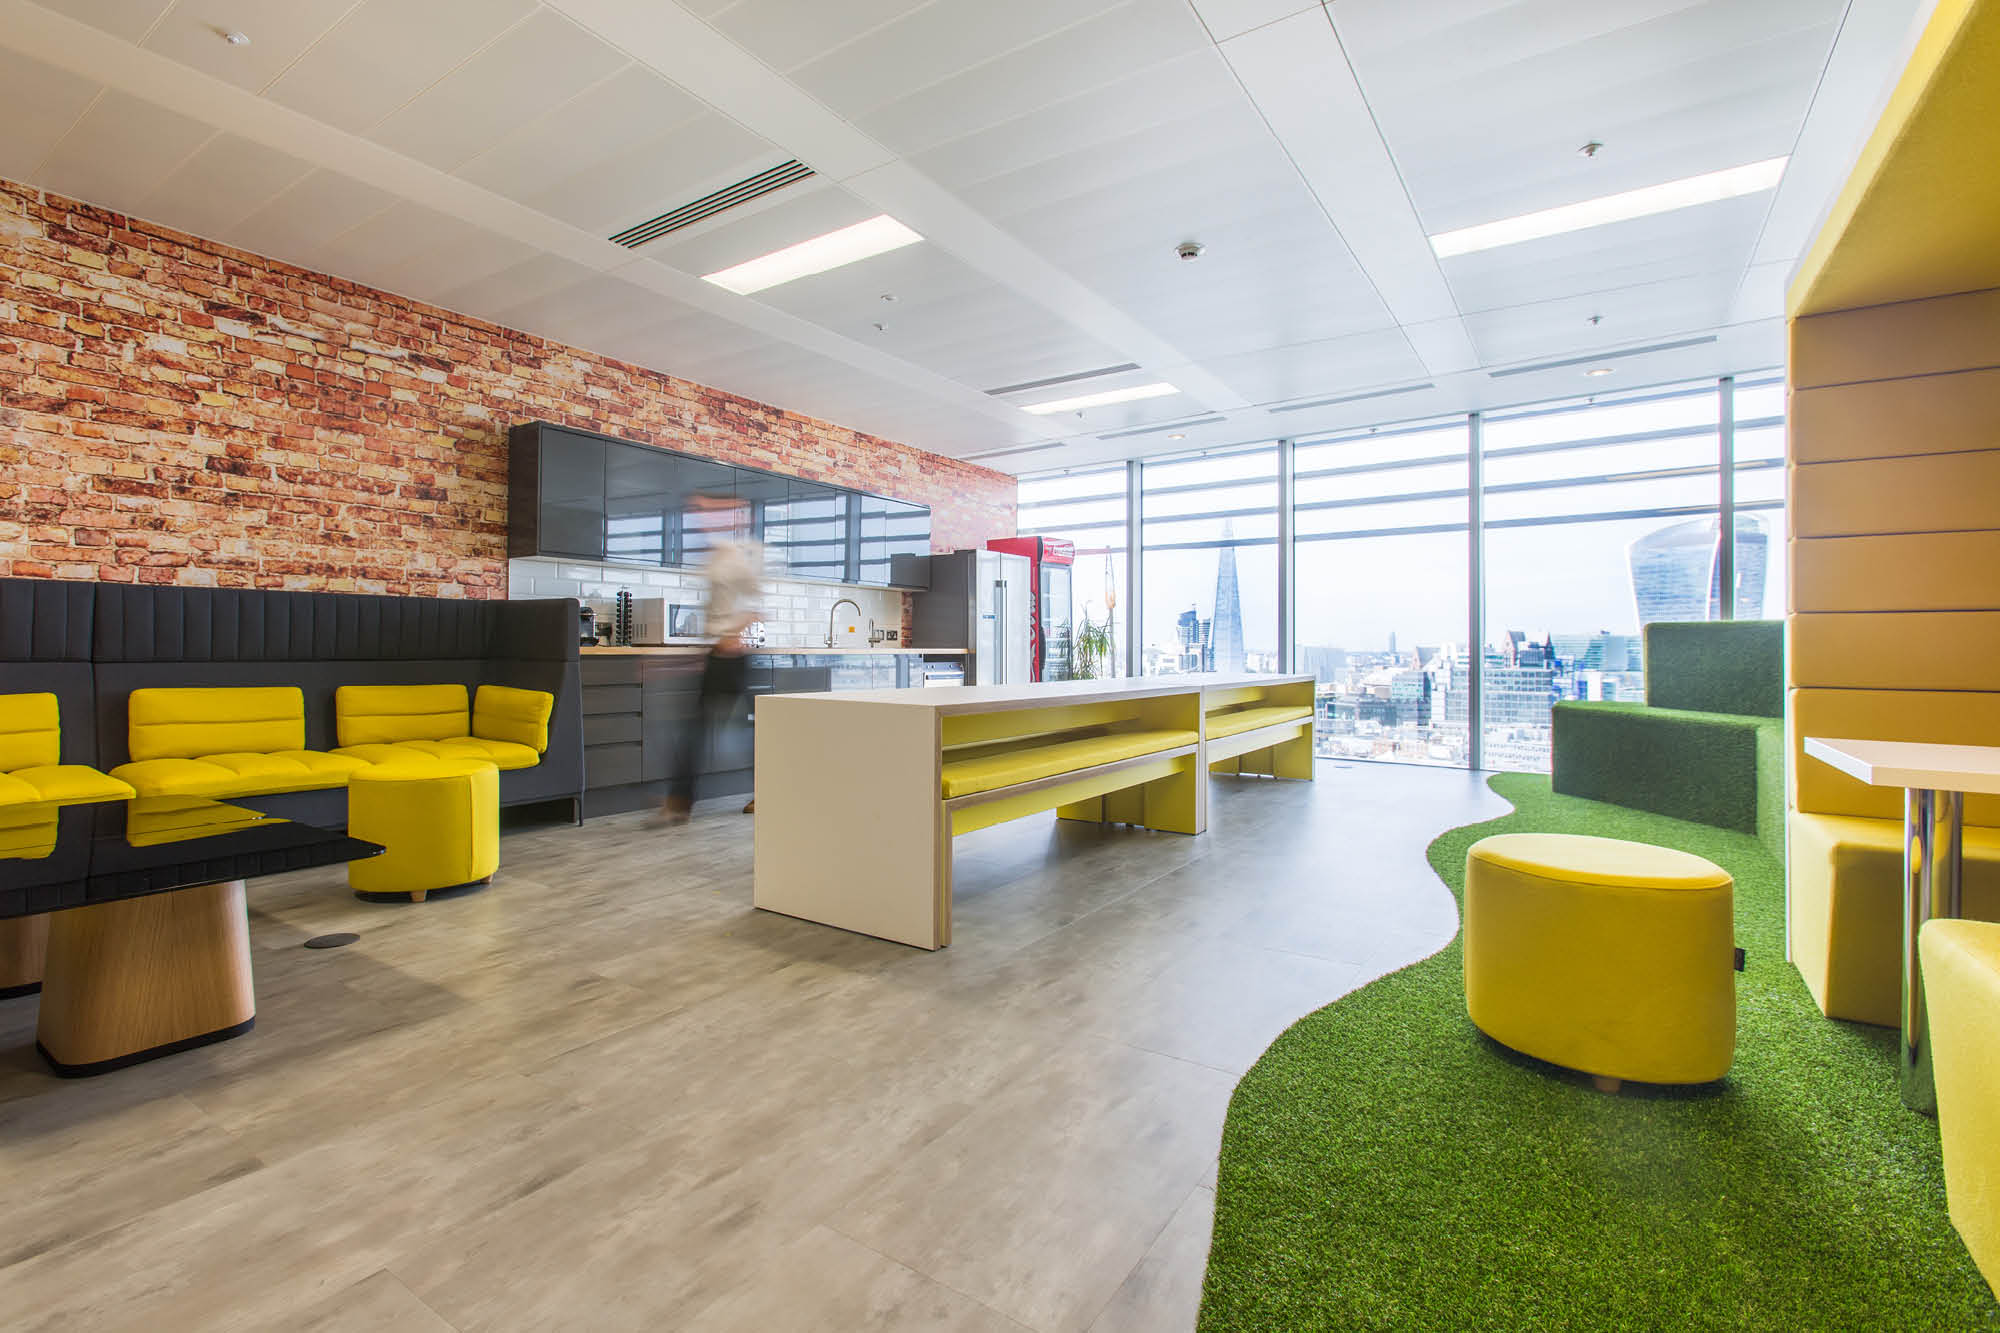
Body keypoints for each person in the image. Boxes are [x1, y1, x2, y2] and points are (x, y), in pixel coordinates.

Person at [658, 489, 763, 824]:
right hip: (717, 654)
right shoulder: (720, 555)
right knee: (709, 729)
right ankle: (680, 801)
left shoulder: (743, 556)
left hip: (732, 656)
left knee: (735, 729)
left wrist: (733, 634)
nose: (702, 522)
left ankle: (680, 801)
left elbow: (757, 603)